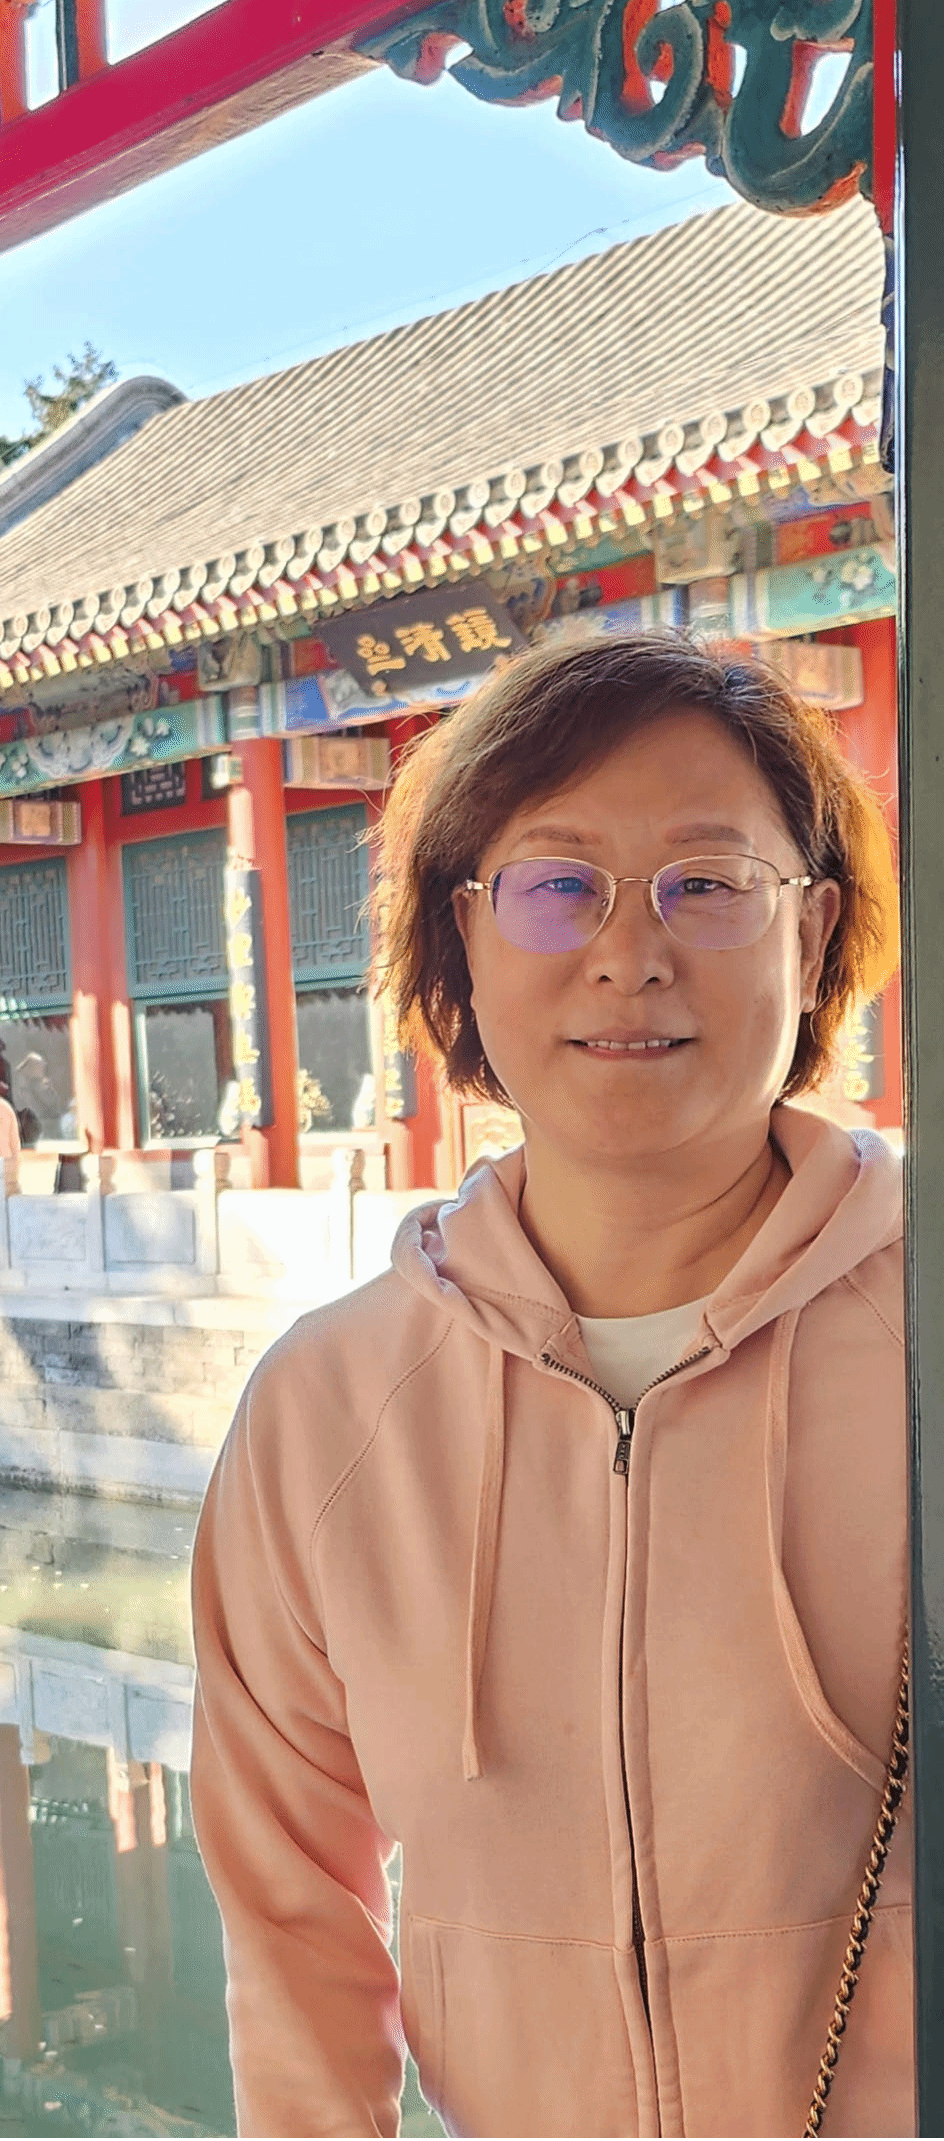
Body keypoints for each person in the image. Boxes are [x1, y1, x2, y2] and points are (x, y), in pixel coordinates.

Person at [190, 636, 908, 2139]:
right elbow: (289, 1923)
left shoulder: (929, 1343)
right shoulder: (327, 1413)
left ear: (813, 928)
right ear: (465, 933)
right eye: (557, 883)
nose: (628, 952)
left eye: (707, 882)